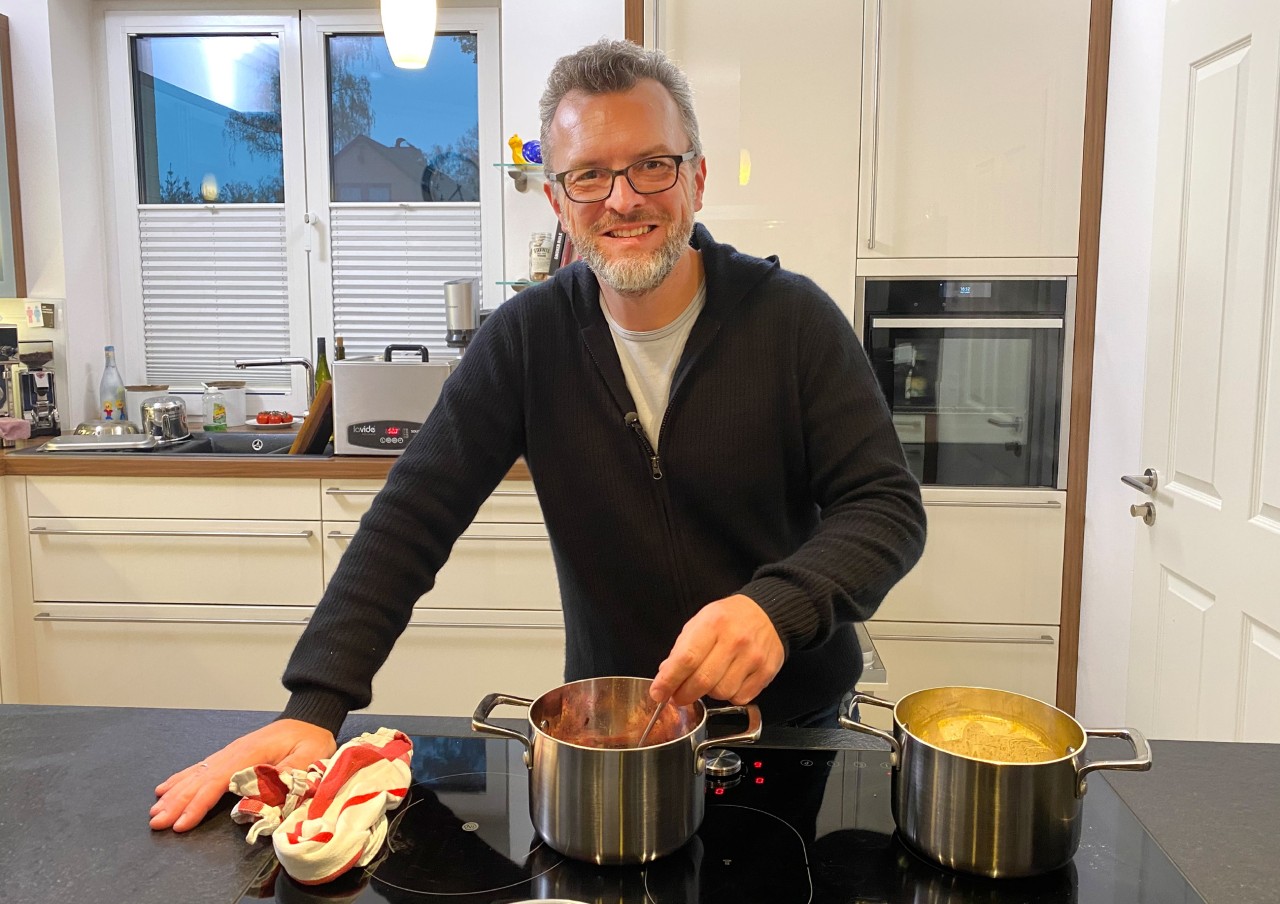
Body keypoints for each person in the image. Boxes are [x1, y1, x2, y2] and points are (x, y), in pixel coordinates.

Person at [151, 38, 926, 833]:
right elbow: (414, 514)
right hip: (612, 738)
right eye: (590, 174)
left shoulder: (792, 320)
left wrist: (777, 608)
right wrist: (316, 707)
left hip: (788, 730)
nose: (622, 199)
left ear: (696, 176)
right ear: (558, 201)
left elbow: (886, 507)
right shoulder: (526, 340)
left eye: (652, 165)